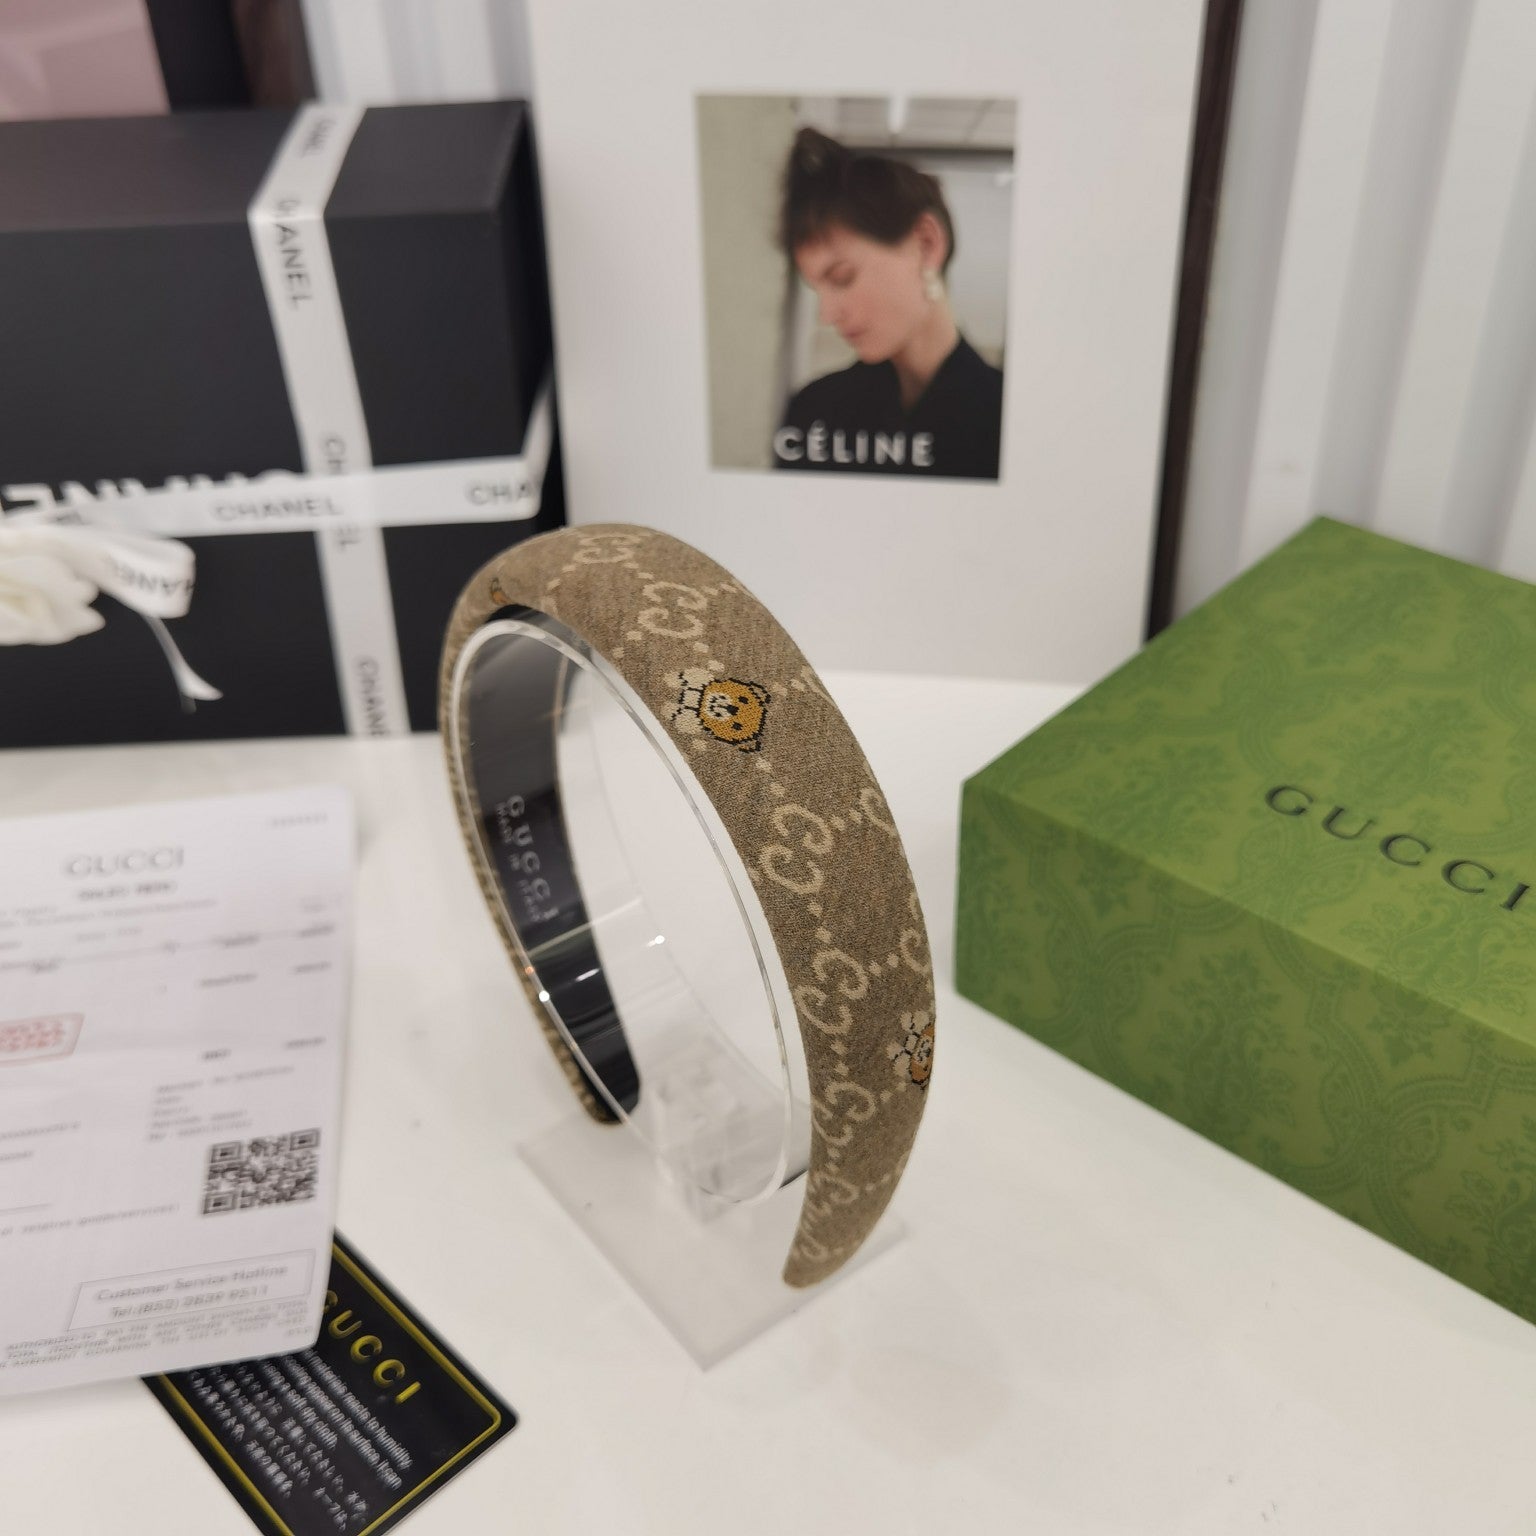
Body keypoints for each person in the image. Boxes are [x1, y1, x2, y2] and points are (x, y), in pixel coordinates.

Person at [772, 126, 1004, 480]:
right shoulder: (813, 413)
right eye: (817, 289)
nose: (827, 315)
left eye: (842, 277)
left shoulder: (1010, 418)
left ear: (926, 244)